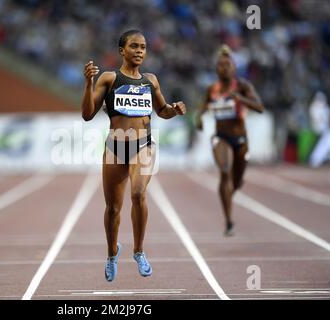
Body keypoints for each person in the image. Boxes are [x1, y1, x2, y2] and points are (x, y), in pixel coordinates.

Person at [81, 29, 187, 282]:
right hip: (115, 148)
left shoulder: (151, 80)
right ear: (122, 51)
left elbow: (162, 110)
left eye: (143, 47)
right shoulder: (109, 78)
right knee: (113, 209)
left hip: (143, 145)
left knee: (138, 193)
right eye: (134, 46)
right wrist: (88, 84)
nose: (140, 51)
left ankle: (139, 251)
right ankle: (111, 253)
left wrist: (175, 109)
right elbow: (87, 114)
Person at [196, 45, 264, 236]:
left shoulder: (242, 86)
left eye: (227, 65)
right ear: (216, 69)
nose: (224, 69)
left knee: (238, 181)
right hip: (221, 137)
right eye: (220, 65)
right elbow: (202, 107)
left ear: (234, 68)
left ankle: (227, 195)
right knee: (225, 171)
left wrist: (240, 98)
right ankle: (229, 222)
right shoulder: (212, 88)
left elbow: (260, 107)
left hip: (241, 139)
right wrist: (199, 118)